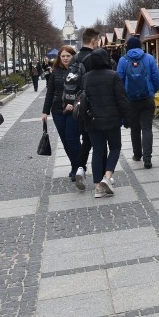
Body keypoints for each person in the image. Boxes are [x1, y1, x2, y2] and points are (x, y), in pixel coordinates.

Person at [83, 48, 132, 198]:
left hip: (92, 121)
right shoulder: (113, 76)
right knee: (115, 147)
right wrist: (127, 118)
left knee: (98, 151)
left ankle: (98, 187)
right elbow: (121, 99)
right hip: (111, 119)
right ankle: (107, 176)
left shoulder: (86, 77)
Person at [64, 27, 101, 191]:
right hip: (94, 106)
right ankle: (102, 177)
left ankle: (79, 168)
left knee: (85, 141)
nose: (98, 43)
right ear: (93, 41)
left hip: (78, 106)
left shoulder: (75, 59)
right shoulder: (95, 58)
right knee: (99, 143)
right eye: (98, 41)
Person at [117, 36, 159, 169]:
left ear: (128, 47)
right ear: (140, 46)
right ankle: (148, 159)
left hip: (130, 100)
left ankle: (137, 154)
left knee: (134, 127)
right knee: (147, 128)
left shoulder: (123, 60)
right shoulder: (149, 58)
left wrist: (123, 96)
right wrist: (152, 90)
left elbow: (119, 79)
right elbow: (156, 76)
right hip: (147, 98)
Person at [41, 45, 80, 182]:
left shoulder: (78, 70)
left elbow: (82, 91)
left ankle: (77, 168)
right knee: (65, 141)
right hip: (58, 110)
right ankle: (76, 164)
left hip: (74, 110)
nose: (65, 58)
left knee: (72, 139)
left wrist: (75, 103)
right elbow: (50, 92)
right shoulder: (55, 72)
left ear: (73, 56)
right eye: (62, 56)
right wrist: (45, 111)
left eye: (68, 56)